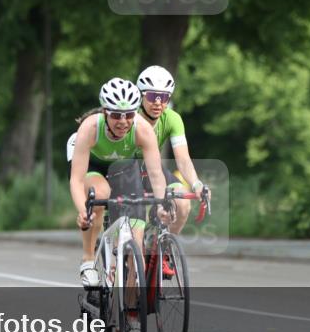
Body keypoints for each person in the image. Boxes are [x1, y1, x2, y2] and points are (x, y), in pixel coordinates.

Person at [68, 78, 172, 288]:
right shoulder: (90, 127)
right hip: (94, 167)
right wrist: (83, 212)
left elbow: (155, 173)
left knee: (135, 224)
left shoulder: (142, 129)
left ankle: (131, 309)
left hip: (122, 169)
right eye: (116, 115)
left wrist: (160, 204)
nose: (123, 121)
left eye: (129, 115)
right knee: (100, 195)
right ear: (105, 112)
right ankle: (88, 260)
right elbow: (76, 180)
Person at [135, 65, 208, 240]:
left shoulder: (173, 119)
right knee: (136, 218)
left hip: (153, 169)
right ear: (141, 96)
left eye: (164, 97)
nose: (158, 102)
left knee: (182, 204)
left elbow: (182, 159)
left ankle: (165, 247)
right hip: (128, 169)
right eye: (152, 96)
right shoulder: (131, 117)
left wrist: (196, 184)